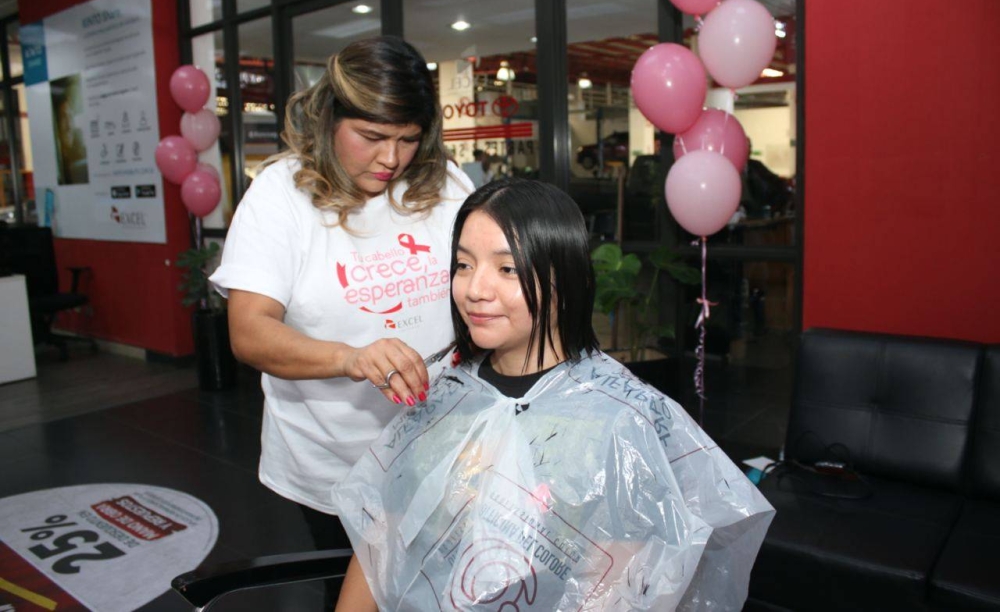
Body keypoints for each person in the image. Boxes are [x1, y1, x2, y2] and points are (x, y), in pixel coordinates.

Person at [331, 179, 774, 611]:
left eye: (507, 269)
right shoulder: (443, 396)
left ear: (564, 278)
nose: (474, 290)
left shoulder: (619, 420)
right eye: (464, 265)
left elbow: (614, 592)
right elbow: (378, 547)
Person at [207, 36, 474, 605]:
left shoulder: (444, 183)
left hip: (441, 446)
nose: (391, 159)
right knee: (355, 589)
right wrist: (349, 357)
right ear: (330, 118)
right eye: (372, 137)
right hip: (333, 457)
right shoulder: (281, 194)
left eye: (407, 139)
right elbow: (249, 329)